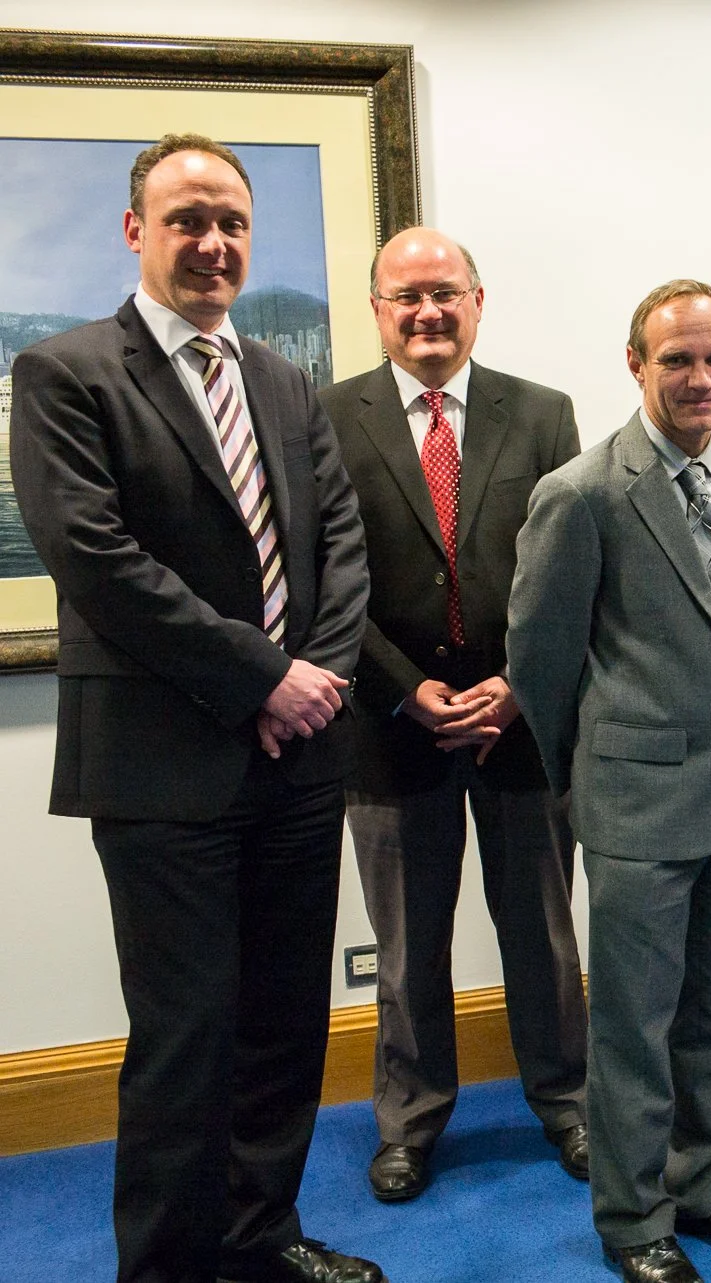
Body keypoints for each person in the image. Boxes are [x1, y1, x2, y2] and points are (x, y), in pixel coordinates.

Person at [8, 134, 380, 1282]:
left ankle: (261, 1234)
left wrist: (310, 686)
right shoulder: (67, 374)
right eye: (186, 220)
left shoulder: (284, 379)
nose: (213, 242)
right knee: (185, 1039)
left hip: (298, 766)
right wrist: (261, 677)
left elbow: (340, 550)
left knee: (282, 1026)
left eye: (230, 221)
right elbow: (98, 560)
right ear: (137, 232)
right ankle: (167, 1265)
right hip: (162, 768)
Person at [508, 280, 711, 1283]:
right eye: (678, 360)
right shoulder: (582, 493)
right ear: (637, 364)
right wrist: (593, 785)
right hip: (636, 811)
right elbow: (538, 667)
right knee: (634, 1027)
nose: (701, 378)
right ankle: (634, 1218)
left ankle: (709, 1188)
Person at [319, 227, 588, 1202]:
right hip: (391, 727)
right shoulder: (328, 416)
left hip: (522, 724)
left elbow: (568, 572)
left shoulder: (544, 414)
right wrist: (407, 688)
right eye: (407, 295)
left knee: (544, 931)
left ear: (480, 299)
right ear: (378, 309)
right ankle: (411, 1118)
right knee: (405, 942)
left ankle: (566, 1098)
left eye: (446, 291)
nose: (428, 311)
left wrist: (517, 683)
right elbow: (326, 584)